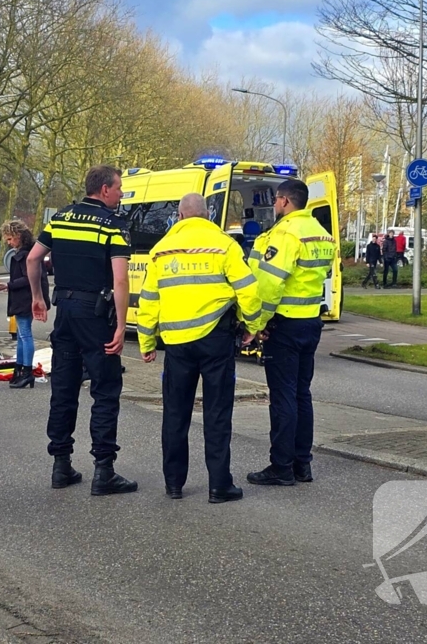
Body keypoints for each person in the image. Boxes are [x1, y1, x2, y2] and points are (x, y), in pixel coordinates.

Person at [137, 194, 262, 503]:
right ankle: (219, 486)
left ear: (180, 216)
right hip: (216, 339)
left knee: (175, 413)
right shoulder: (225, 245)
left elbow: (149, 300)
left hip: (177, 345)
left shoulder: (160, 250)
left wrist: (146, 341)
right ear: (207, 215)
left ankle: (174, 484)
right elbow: (248, 290)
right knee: (217, 413)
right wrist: (252, 325)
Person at [27, 164, 137, 496]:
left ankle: (61, 466)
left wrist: (37, 297)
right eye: (118, 188)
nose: (121, 194)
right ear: (104, 189)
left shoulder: (61, 218)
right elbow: (120, 280)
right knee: (105, 389)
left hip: (65, 312)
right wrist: (121, 325)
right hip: (95, 315)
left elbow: (33, 259)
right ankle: (104, 471)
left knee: (64, 388)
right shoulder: (113, 225)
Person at [246, 179, 335, 487]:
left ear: (284, 201)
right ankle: (302, 464)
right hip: (311, 322)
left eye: (276, 200)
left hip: (284, 324)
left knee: (283, 397)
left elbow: (271, 284)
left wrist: (258, 322)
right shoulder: (321, 234)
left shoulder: (285, 234)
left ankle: (281, 467)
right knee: (301, 395)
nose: (275, 205)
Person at [0, 220, 49, 389]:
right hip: (27, 298)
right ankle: (21, 369)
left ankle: (25, 371)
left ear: (18, 236)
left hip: (25, 299)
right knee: (21, 334)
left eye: (10, 239)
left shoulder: (25, 256)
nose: (8, 243)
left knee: (24, 334)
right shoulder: (31, 252)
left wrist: (8, 285)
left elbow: (28, 278)